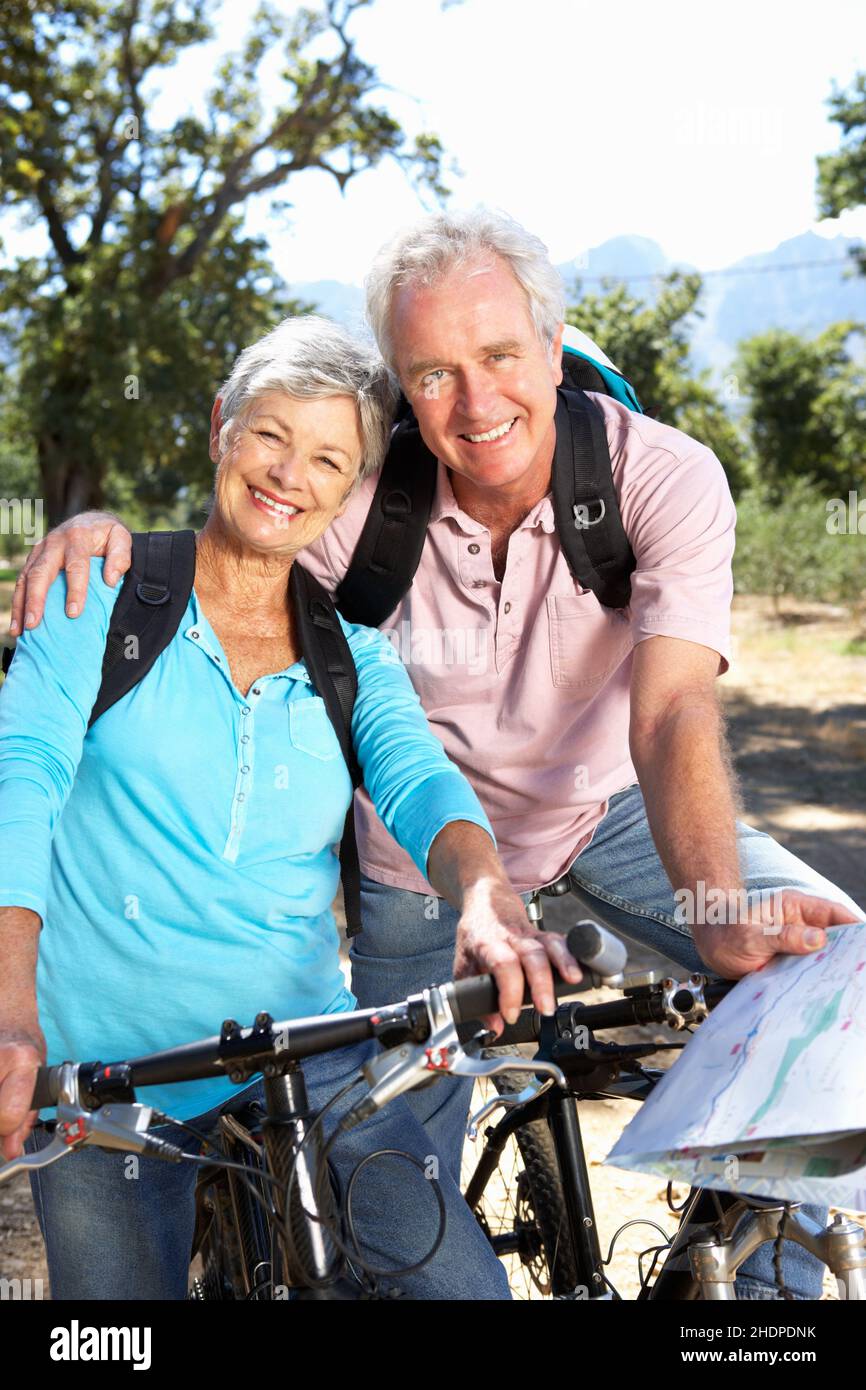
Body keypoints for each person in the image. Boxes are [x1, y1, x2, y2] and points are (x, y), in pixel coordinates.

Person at [13, 210, 863, 1300]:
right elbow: (236, 535)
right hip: (420, 862)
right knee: (391, 1187)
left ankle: (759, 1298)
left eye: (501, 356)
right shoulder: (358, 498)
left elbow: (667, 716)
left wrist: (717, 903)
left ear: (552, 350)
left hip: (607, 809)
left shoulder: (664, 479)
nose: (475, 402)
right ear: (399, 392)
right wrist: (103, 539)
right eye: (432, 374)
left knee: (830, 962)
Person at [0, 314, 582, 1300]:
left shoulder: (353, 655)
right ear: (221, 425)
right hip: (101, 1082)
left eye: (326, 458)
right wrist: (12, 1010)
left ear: (351, 487)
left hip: (307, 1054)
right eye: (269, 435)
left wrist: (484, 894)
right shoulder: (102, 597)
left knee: (463, 1292)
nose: (287, 475)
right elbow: (22, 783)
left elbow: (419, 781)